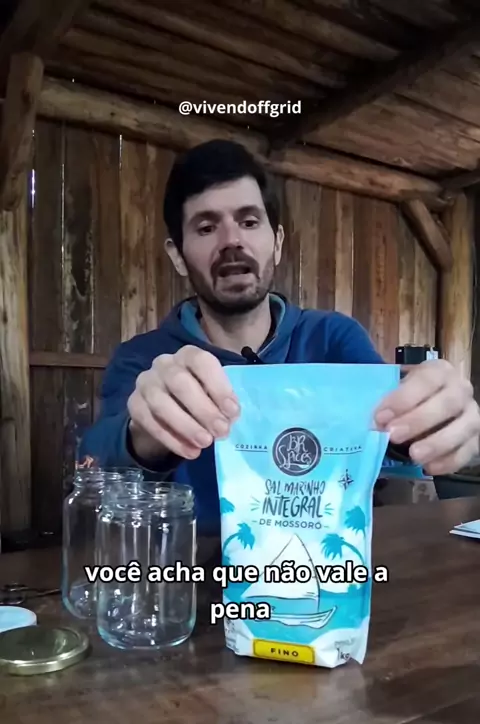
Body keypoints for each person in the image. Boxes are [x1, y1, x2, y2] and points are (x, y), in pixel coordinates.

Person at [79, 139, 480, 537]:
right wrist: (142, 434)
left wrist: (435, 418)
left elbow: (390, 427)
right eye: (206, 227)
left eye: (249, 222)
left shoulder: (332, 338)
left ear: (277, 242)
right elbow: (94, 465)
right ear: (178, 256)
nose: (231, 241)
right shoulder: (142, 358)